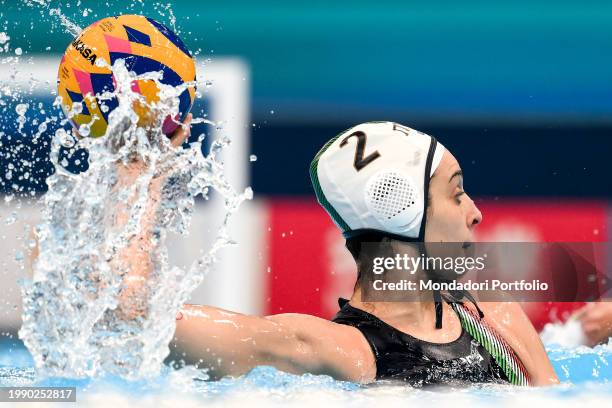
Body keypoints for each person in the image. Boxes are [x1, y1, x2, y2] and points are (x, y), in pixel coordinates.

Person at [115, 120, 559, 386]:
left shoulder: (495, 320)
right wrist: (141, 172)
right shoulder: (340, 353)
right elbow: (136, 317)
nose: (476, 213)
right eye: (457, 193)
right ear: (401, 210)